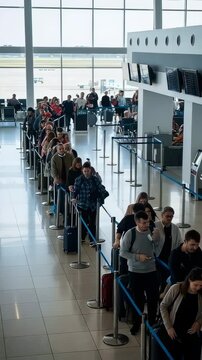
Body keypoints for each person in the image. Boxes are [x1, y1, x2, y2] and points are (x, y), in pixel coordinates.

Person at [120, 211, 160, 335]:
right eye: (144, 222)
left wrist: (157, 239)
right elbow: (123, 252)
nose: (147, 224)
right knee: (138, 300)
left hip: (151, 270)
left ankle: (152, 324)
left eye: (148, 222)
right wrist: (138, 257)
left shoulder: (152, 230)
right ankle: (137, 322)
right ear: (137, 222)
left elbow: (157, 249)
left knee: (153, 299)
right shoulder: (130, 234)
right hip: (135, 272)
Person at [160, 267, 202, 360]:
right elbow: (163, 306)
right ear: (189, 280)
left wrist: (198, 323)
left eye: (201, 285)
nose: (198, 288)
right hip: (173, 332)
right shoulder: (176, 288)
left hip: (191, 334)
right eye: (196, 285)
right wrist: (169, 327)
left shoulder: (200, 294)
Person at [72, 161, 107, 245]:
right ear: (82, 171)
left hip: (93, 205)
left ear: (90, 170)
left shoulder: (95, 179)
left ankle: (92, 239)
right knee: (82, 222)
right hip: (82, 204)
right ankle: (82, 237)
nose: (86, 173)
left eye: (87, 171)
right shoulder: (78, 180)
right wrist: (73, 198)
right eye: (84, 171)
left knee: (92, 223)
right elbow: (75, 191)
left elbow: (101, 189)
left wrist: (101, 197)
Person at [155, 206, 182, 292]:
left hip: (169, 259)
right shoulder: (155, 226)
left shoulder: (175, 228)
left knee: (166, 280)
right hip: (157, 259)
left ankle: (163, 295)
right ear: (162, 215)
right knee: (156, 279)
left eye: (171, 216)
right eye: (167, 216)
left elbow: (179, 243)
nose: (169, 218)